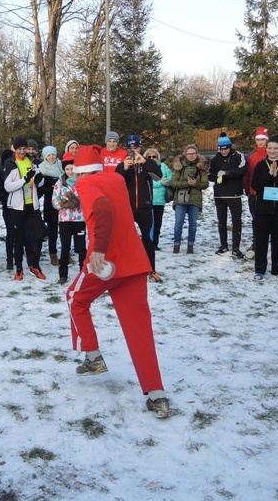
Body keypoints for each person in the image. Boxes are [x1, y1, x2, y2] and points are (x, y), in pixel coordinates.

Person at [65, 145, 170, 419]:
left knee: (75, 299)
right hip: (135, 263)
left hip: (106, 264)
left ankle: (93, 357)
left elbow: (102, 207)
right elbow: (110, 199)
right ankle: (157, 396)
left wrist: (98, 249)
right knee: (140, 331)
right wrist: (78, 202)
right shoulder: (115, 179)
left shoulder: (86, 183)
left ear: (80, 172)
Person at [116, 135, 162, 281]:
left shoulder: (147, 162)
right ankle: (126, 268)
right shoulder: (122, 164)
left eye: (135, 148)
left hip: (145, 207)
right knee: (126, 239)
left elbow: (157, 177)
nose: (133, 151)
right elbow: (116, 182)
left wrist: (146, 162)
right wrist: (124, 167)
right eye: (130, 148)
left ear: (140, 148)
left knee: (147, 238)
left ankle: (151, 269)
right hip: (127, 207)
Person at [251, 136, 278, 280]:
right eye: (269, 148)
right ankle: (260, 269)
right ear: (266, 149)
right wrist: (269, 176)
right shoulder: (260, 165)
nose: (272, 151)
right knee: (261, 240)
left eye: (275, 148)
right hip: (263, 210)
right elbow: (255, 186)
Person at [3, 136, 46, 280]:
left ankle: (35, 265)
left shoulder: (32, 162)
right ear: (15, 149)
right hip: (17, 206)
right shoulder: (10, 163)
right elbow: (7, 186)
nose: (22, 151)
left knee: (39, 234)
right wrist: (24, 180)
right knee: (19, 237)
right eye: (19, 148)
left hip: (32, 204)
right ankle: (19, 268)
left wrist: (40, 180)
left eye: (24, 148)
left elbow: (39, 181)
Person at [208, 133, 247, 258]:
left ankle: (236, 247)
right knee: (221, 221)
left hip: (234, 194)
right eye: (221, 149)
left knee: (236, 221)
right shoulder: (215, 159)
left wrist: (227, 173)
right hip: (219, 194)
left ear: (230, 147)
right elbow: (210, 174)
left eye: (226, 148)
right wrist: (218, 175)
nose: (224, 151)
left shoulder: (238, 156)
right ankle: (223, 245)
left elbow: (242, 170)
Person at [51, 153, 86, 284]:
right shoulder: (60, 183)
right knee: (65, 247)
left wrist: (79, 202)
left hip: (80, 219)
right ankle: (63, 275)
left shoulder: (82, 181)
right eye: (67, 169)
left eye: (72, 169)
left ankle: (83, 273)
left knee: (82, 248)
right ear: (64, 170)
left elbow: (87, 198)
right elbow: (54, 201)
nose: (70, 172)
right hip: (65, 220)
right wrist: (63, 203)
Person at [171, 144, 209, 254]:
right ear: (185, 155)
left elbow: (205, 184)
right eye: (189, 154)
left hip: (195, 199)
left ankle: (190, 246)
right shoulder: (179, 166)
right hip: (180, 199)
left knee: (193, 224)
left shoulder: (201, 167)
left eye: (193, 153)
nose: (191, 156)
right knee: (179, 223)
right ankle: (176, 245)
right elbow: (173, 182)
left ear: (196, 154)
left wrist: (196, 184)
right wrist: (186, 183)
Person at [243, 126, 270, 254]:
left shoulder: (271, 153)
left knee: (267, 219)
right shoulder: (251, 156)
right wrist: (248, 189)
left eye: (262, 140)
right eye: (258, 140)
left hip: (269, 193)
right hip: (254, 192)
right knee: (255, 219)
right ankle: (256, 242)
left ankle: (266, 242)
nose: (260, 142)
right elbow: (247, 174)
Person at [38, 146, 63, 267]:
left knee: (65, 228)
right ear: (45, 157)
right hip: (50, 203)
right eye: (49, 155)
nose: (52, 157)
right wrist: (53, 188)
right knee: (53, 230)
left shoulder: (61, 165)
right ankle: (53, 254)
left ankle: (65, 254)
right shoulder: (42, 169)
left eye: (53, 154)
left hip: (64, 202)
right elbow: (40, 188)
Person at [146, 148, 172, 252]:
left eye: (154, 156)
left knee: (158, 223)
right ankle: (148, 242)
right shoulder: (145, 167)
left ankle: (155, 243)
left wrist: (166, 182)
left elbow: (170, 179)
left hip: (160, 200)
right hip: (148, 199)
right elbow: (148, 183)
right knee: (148, 223)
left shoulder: (163, 167)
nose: (151, 158)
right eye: (149, 157)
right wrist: (160, 182)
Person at [0, 148, 15, 270]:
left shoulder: (15, 168)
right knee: (10, 232)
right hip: (7, 205)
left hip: (19, 205)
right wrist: (9, 201)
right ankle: (9, 259)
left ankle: (19, 255)